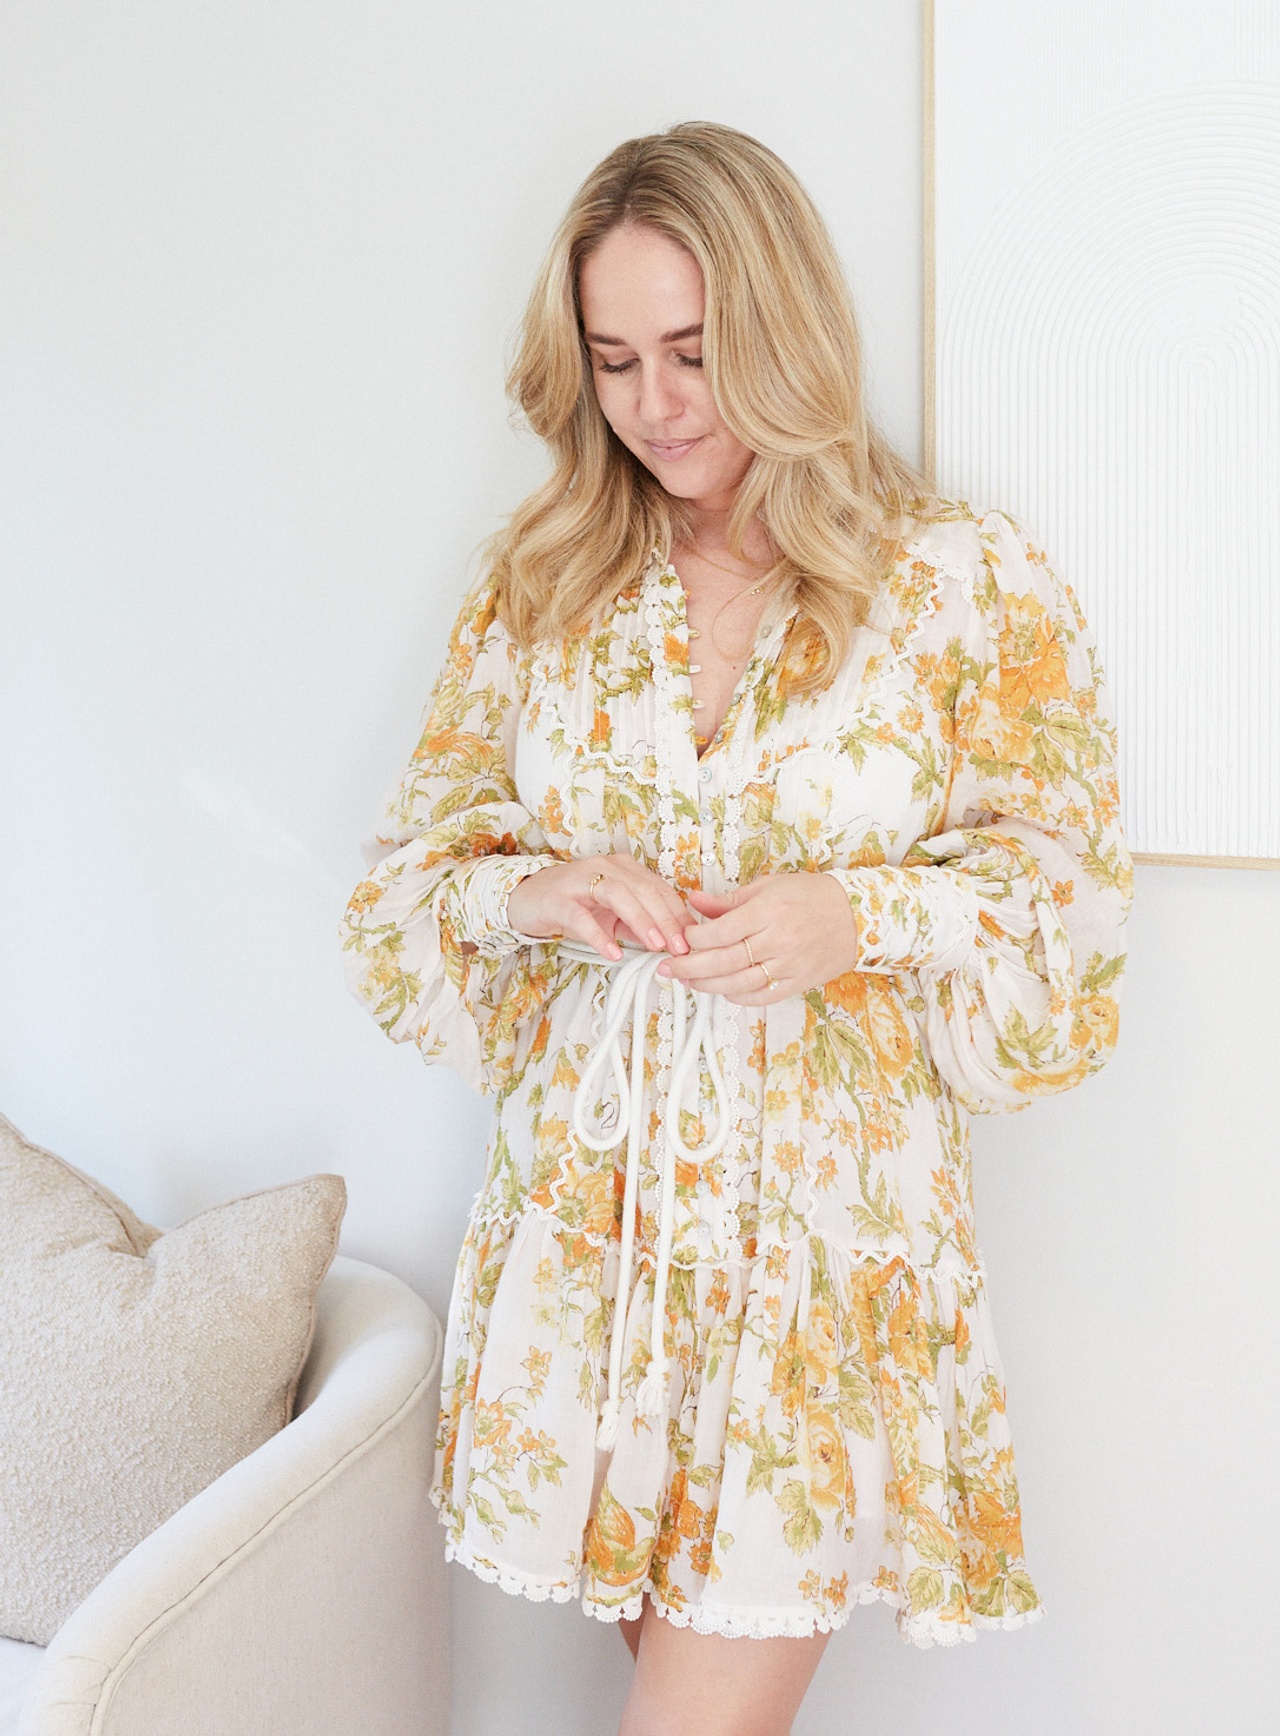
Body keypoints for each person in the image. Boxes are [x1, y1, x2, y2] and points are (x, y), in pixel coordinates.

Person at [340, 122, 1133, 1735]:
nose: (656, 404)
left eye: (695, 351)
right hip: (592, 1244)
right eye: (616, 359)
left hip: (817, 1262)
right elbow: (403, 884)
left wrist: (861, 914)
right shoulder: (545, 582)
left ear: (787, 327)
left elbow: (1072, 901)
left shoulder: (961, 586)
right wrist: (537, 890)